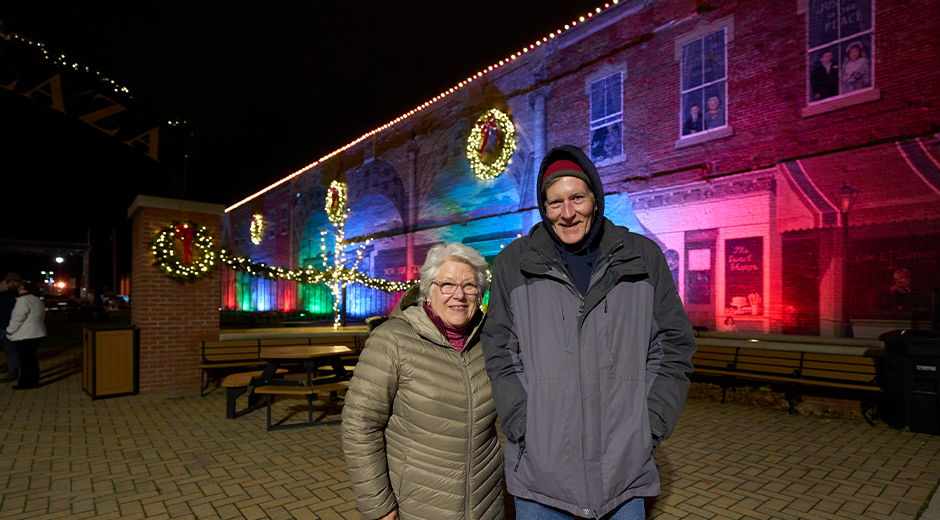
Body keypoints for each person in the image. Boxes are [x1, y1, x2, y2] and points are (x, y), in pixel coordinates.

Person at [482, 145, 696, 519]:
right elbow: (500, 349)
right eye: (554, 203)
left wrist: (651, 422)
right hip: (541, 477)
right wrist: (522, 423)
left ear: (595, 198)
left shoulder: (643, 258)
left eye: (577, 197)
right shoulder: (514, 264)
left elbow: (673, 346)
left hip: (623, 476)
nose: (567, 213)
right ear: (543, 206)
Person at [342, 242, 504, 520]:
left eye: (469, 285)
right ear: (428, 291)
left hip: (485, 502)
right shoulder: (392, 340)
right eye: (447, 284)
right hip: (418, 505)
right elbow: (360, 426)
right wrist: (379, 506)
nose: (459, 295)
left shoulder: (489, 340)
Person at [6, 282, 46, 390]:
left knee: (25, 360)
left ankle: (25, 382)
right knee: (32, 359)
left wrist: (10, 330)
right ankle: (34, 381)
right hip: (37, 333)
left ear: (26, 290)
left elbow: (17, 317)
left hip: (25, 334)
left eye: (21, 288)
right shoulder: (38, 300)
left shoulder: (23, 300)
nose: (19, 290)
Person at [0, 272, 23, 383]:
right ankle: (18, 371)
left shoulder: (3, 296)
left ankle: (13, 372)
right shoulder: (22, 296)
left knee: (10, 350)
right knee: (17, 350)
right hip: (17, 326)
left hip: (7, 326)